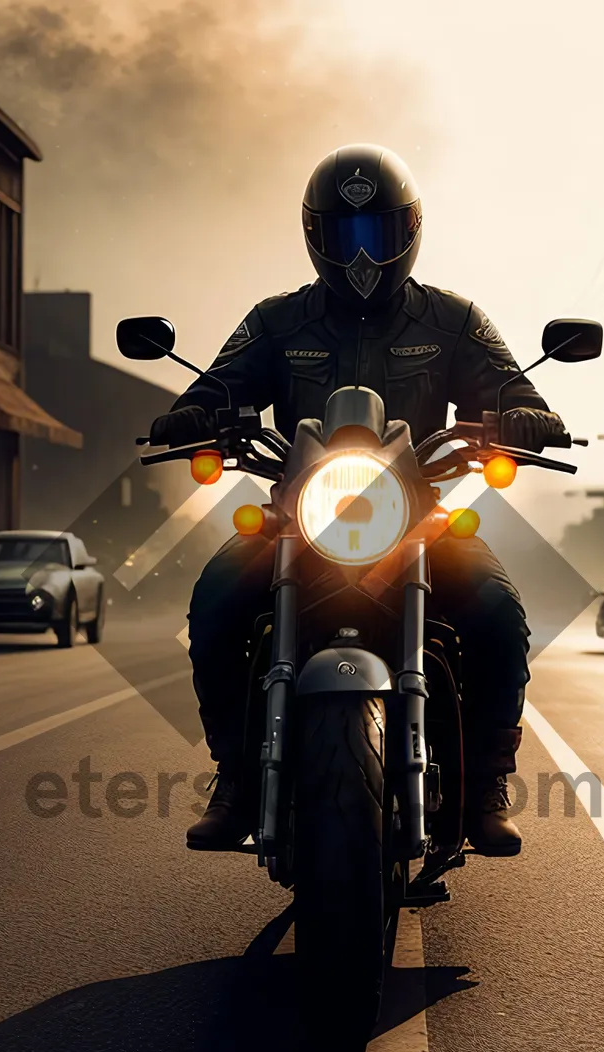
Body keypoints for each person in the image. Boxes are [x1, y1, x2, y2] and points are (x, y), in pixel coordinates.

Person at [148, 144, 568, 857]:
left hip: (420, 523)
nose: (364, 253)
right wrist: (193, 414)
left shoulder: (454, 320)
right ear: (316, 237)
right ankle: (235, 777)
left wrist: (528, 416)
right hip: (296, 522)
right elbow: (216, 385)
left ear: (410, 230)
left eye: (377, 232)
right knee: (215, 599)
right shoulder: (277, 322)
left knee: (499, 611)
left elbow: (516, 391)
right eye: (347, 237)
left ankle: (488, 785)